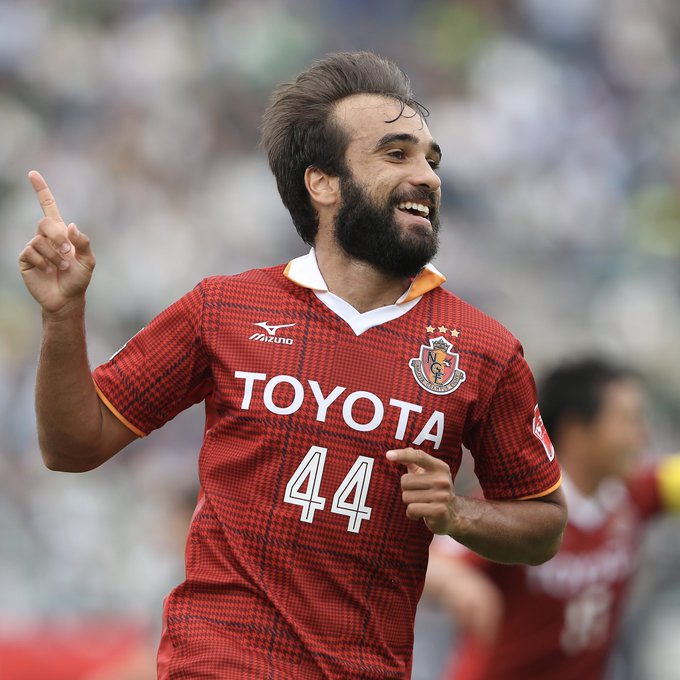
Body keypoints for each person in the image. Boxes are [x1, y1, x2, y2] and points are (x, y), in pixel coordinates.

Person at [18, 51, 566, 679]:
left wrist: (459, 516)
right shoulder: (223, 308)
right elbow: (72, 446)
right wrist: (64, 315)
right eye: (396, 155)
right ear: (323, 184)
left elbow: (545, 525)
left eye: (430, 160)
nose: (428, 177)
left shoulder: (484, 350)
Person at [425, 356, 680, 680]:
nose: (642, 436)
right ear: (577, 431)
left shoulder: (633, 494)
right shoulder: (520, 505)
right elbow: (435, 562)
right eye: (628, 421)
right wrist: (457, 582)